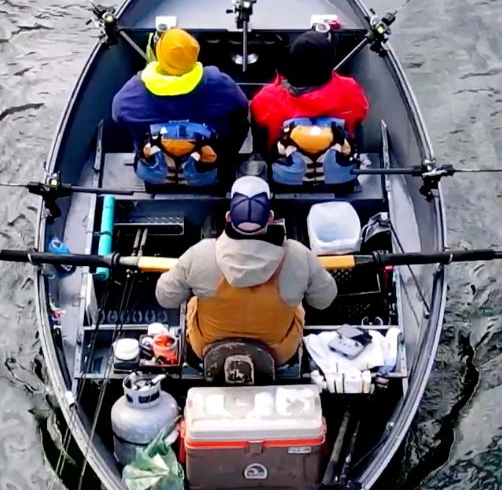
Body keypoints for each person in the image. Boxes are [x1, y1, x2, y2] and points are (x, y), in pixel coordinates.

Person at [156, 176, 337, 363]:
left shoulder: (200, 254)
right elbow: (324, 300)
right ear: (270, 218)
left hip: (208, 351)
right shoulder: (299, 256)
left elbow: (165, 297)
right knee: (296, 305)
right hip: (277, 355)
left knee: (195, 301)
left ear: (228, 217)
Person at [110, 27, 249, 151]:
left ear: (159, 54)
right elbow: (242, 107)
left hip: (156, 165)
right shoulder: (219, 83)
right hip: (209, 162)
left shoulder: (132, 93)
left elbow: (118, 117)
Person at [250, 28, 369, 139]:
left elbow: (256, 117)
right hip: (337, 150)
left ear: (291, 61)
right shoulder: (351, 91)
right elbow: (361, 112)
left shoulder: (266, 99)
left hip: (282, 153)